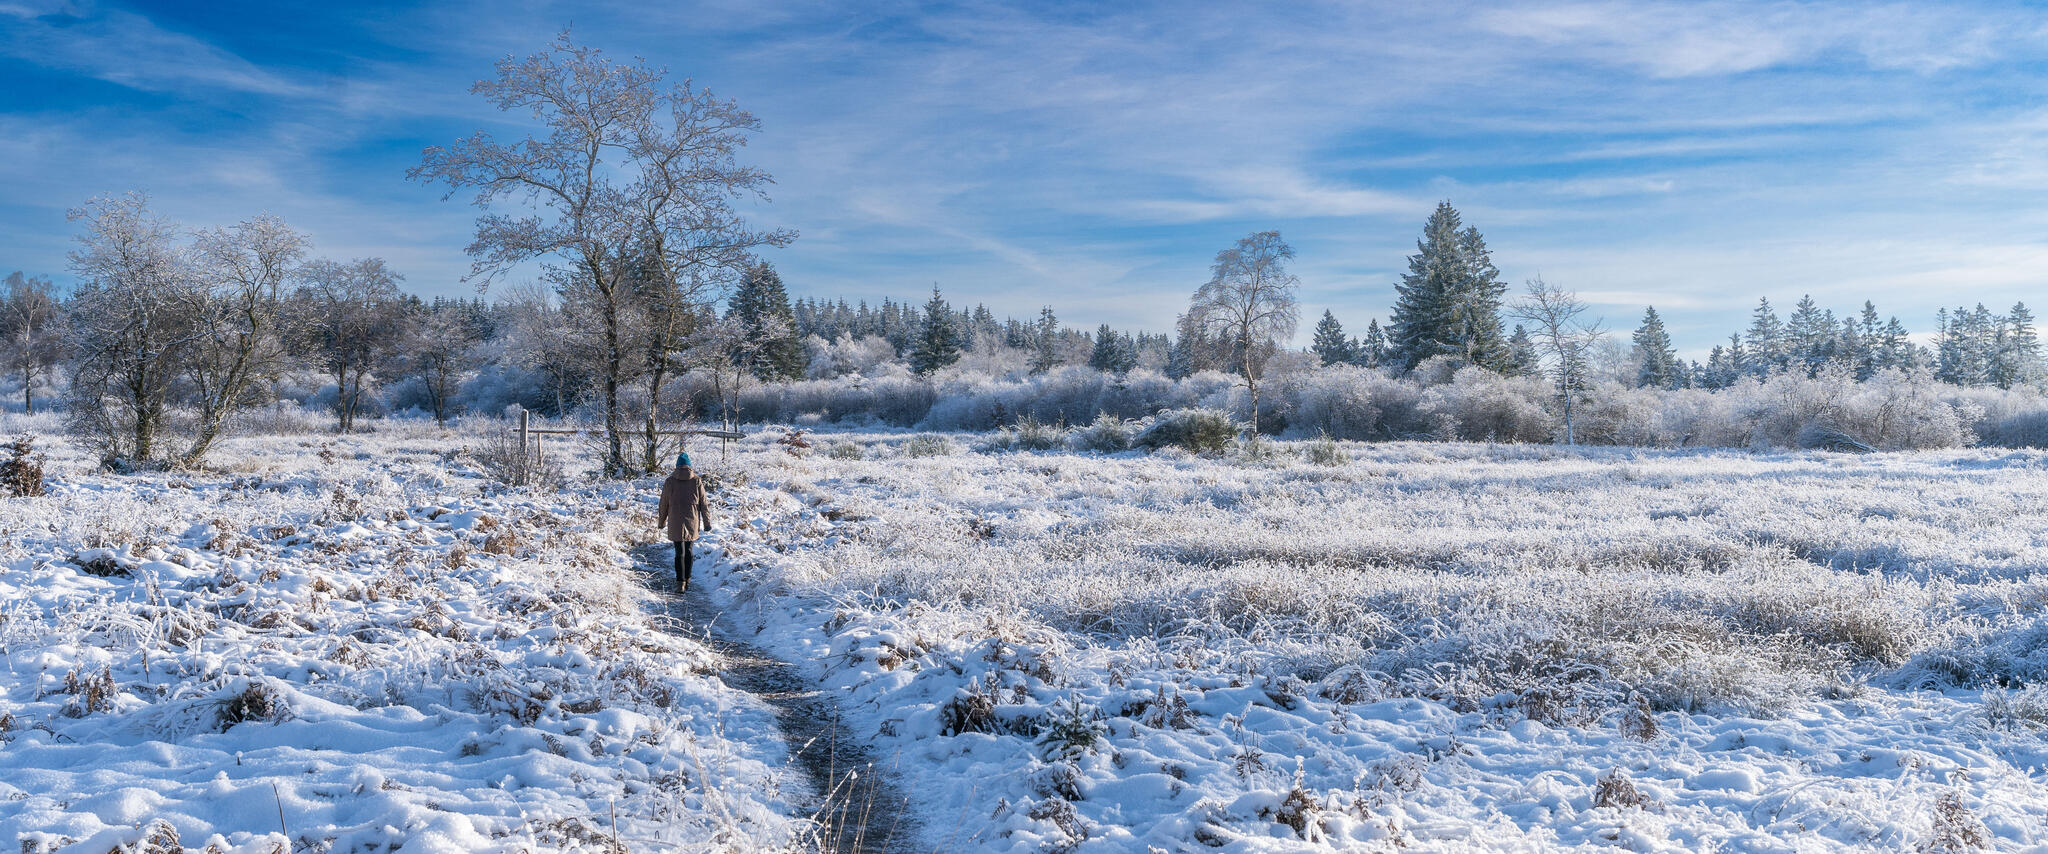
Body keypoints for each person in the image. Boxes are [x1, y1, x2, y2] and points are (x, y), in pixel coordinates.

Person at [655, 451, 713, 591]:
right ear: (689, 466)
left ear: (677, 466)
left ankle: (680, 582)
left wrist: (661, 521)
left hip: (675, 519)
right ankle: (688, 579)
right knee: (688, 550)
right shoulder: (696, 480)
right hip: (692, 519)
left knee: (678, 552)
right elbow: (704, 504)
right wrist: (707, 522)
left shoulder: (670, 481)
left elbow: (663, 503)